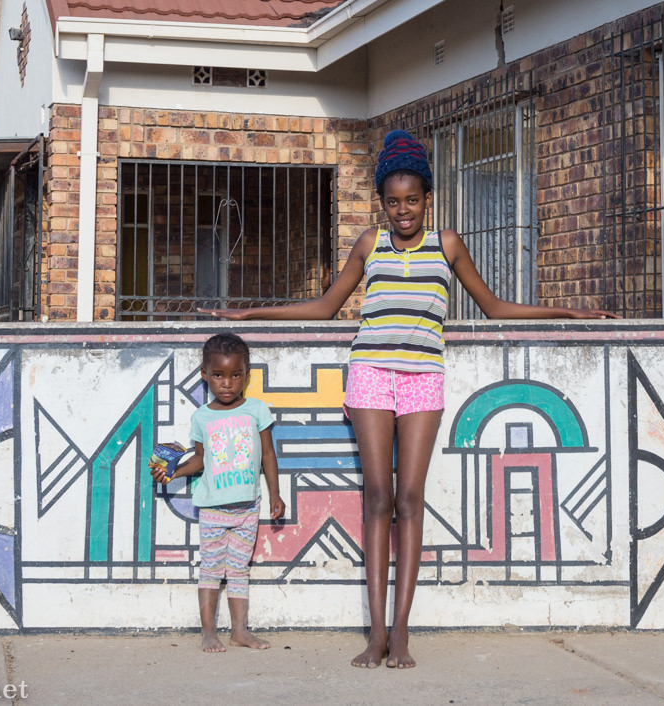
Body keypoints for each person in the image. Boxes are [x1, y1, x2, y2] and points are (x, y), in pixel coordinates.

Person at [199, 130, 618, 669]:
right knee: (377, 497)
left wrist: (570, 314)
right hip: (370, 375)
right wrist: (249, 315)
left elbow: (494, 307)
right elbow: (326, 307)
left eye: (412, 200)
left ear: (428, 198)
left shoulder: (447, 245)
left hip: (423, 379)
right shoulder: (369, 245)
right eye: (393, 201)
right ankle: (374, 633)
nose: (403, 210)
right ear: (382, 203)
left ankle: (401, 632)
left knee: (408, 500)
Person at [150, 332, 285, 653]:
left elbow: (268, 454)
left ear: (246, 375)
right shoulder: (202, 417)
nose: (227, 383)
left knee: (239, 569)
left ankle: (240, 631)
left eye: (235, 375)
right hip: (212, 508)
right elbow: (199, 458)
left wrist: (275, 494)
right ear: (205, 375)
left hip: (247, 508)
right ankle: (208, 632)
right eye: (219, 375)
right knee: (211, 568)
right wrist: (172, 471)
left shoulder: (256, 410)